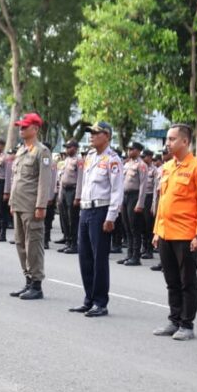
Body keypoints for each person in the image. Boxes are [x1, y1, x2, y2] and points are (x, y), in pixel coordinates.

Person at [150, 123, 197, 341]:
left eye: (172, 139)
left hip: (186, 235)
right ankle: (174, 319)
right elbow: (162, 201)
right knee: (171, 280)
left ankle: (187, 324)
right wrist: (157, 230)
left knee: (187, 281)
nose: (168, 143)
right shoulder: (167, 167)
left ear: (185, 142)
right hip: (166, 232)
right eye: (167, 139)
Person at [70, 121, 124, 317]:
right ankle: (89, 299)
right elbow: (85, 185)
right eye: (90, 133)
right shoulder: (91, 156)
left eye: (95, 133)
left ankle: (100, 302)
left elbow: (117, 191)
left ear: (107, 136)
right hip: (86, 209)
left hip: (101, 211)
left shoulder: (113, 159)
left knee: (98, 258)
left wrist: (111, 217)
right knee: (84, 257)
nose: (91, 136)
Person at [7, 113, 54, 300]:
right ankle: (27, 281)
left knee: (33, 244)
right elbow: (16, 178)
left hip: (32, 205)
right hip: (19, 204)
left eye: (25, 126)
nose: (21, 129)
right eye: (20, 126)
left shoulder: (42, 152)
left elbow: (44, 181)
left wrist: (41, 205)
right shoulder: (21, 150)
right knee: (20, 243)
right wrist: (11, 201)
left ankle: (36, 284)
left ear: (35, 129)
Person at [118, 142, 149, 267]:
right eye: (128, 149)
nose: (129, 151)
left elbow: (143, 185)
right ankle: (129, 254)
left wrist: (140, 203)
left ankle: (136, 256)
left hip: (134, 197)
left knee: (134, 228)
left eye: (132, 149)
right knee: (127, 227)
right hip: (125, 197)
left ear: (138, 151)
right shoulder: (127, 164)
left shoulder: (142, 165)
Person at [57, 140, 82, 254]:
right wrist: (60, 195)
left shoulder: (79, 161)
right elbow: (62, 178)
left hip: (73, 190)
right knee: (65, 217)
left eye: (69, 147)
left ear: (75, 148)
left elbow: (81, 179)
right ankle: (67, 241)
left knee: (73, 218)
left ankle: (74, 244)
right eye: (66, 147)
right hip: (64, 190)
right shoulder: (65, 160)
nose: (67, 149)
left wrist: (78, 196)